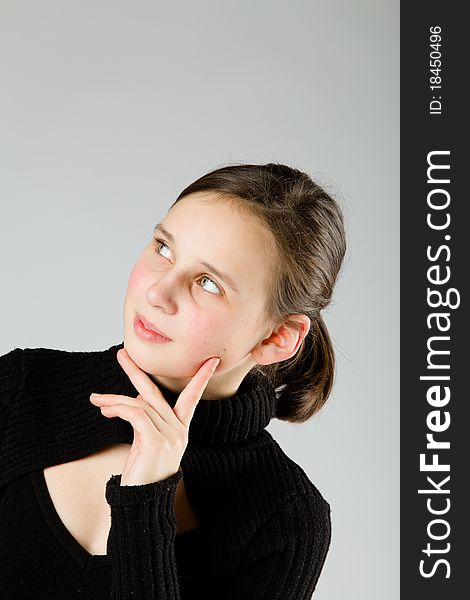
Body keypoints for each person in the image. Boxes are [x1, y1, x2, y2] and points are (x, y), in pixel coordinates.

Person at [0, 162, 347, 599]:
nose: (157, 293)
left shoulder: (286, 520)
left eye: (207, 283)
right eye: (163, 248)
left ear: (277, 337)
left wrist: (146, 499)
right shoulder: (21, 389)